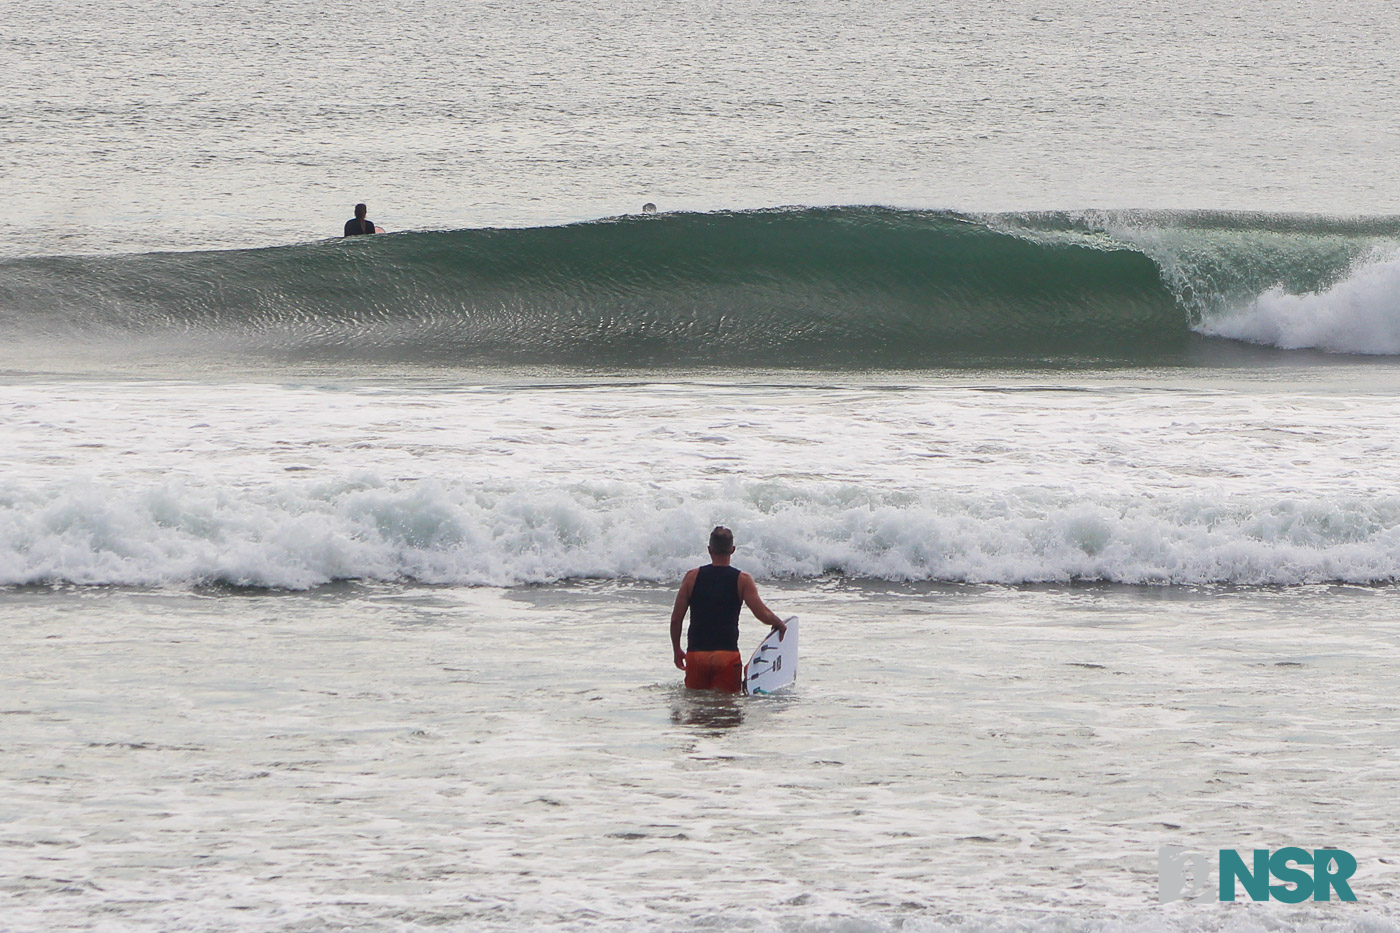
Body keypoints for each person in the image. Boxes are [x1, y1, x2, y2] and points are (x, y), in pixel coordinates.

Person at [670, 526, 787, 692]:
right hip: (727, 657)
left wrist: (676, 650)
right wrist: (780, 624)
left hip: (697, 656)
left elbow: (676, 620)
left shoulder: (691, 577)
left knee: (696, 711)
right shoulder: (742, 580)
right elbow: (762, 613)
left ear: (710, 550)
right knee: (729, 711)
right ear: (732, 550)